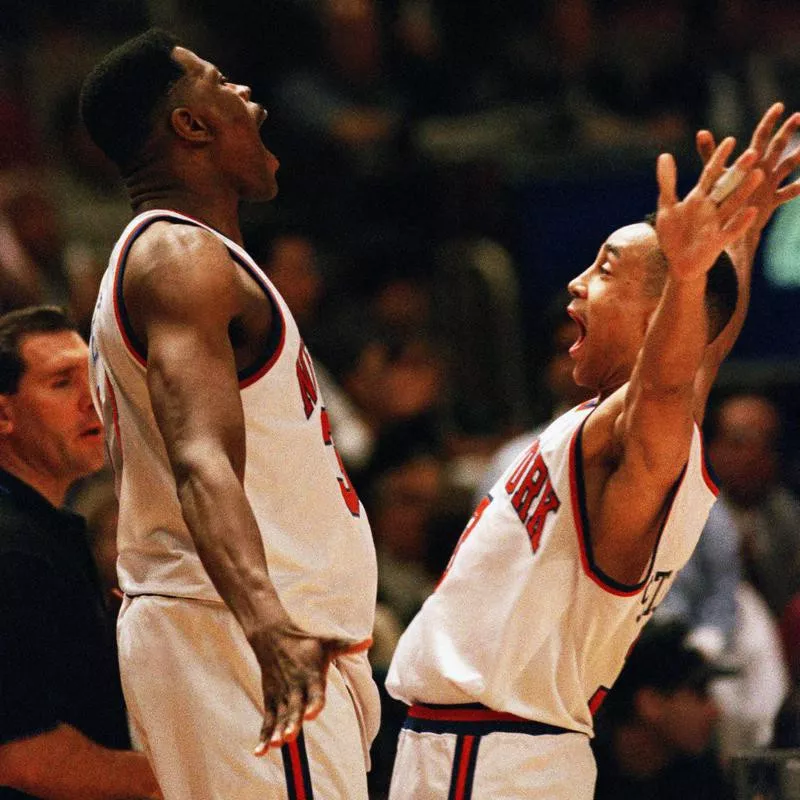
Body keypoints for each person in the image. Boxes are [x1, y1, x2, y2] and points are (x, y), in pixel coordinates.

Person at [384, 103, 800, 799]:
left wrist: (694, 271)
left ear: (659, 313)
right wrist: (745, 230)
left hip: (489, 755)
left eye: (604, 270)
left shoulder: (641, 430)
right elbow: (700, 355)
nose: (577, 283)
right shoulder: (626, 426)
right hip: (499, 750)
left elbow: (674, 374)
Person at [79, 29, 379, 799]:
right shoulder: (180, 261)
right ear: (191, 125)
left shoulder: (184, 260)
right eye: (223, 84)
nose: (254, 100)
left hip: (233, 632)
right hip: (234, 629)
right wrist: (266, 625)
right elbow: (202, 460)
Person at [0, 305, 161, 800]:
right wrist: (192, 775)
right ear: (4, 413)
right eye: (61, 383)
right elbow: (22, 756)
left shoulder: (45, 530)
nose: (91, 399)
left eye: (92, 375)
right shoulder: (12, 549)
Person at [592, 621, 733, 800]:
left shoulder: (700, 777)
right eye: (699, 693)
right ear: (650, 703)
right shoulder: (577, 771)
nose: (715, 711)